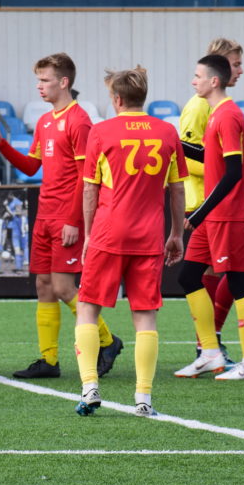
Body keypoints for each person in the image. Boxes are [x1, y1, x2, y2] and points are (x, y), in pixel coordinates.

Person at [0, 52, 123, 380]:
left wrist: (73, 220)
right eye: (38, 80)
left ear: (63, 82)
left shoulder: (79, 120)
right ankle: (49, 360)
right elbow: (31, 167)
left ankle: (107, 341)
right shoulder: (44, 121)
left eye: (45, 80)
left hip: (65, 218)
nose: (39, 86)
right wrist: (1, 145)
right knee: (43, 285)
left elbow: (87, 177)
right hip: (43, 215)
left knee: (64, 287)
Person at [73, 66, 186, 417]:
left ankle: (90, 386)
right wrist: (176, 234)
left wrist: (88, 234)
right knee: (145, 316)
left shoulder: (101, 131)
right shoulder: (167, 132)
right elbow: (177, 189)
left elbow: (90, 189)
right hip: (148, 236)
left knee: (88, 308)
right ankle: (143, 398)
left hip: (108, 232)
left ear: (117, 99)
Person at [173, 54, 244, 380]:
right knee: (188, 277)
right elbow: (209, 156)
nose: (193, 81)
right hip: (214, 216)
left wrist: (201, 212)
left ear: (213, 81)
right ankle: (210, 353)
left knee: (239, 281)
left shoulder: (227, 115)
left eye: (197, 76)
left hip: (227, 215)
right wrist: (175, 143)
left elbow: (233, 172)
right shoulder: (215, 114)